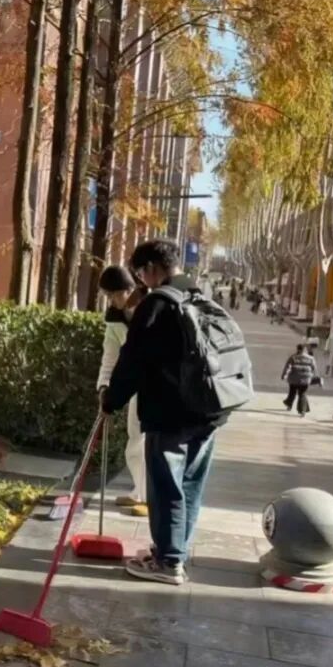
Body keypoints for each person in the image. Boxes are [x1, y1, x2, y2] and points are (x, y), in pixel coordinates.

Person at [102, 239, 232, 586]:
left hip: (170, 412)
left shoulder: (157, 303)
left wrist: (111, 400)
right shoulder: (200, 297)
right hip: (209, 410)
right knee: (189, 486)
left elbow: (133, 361)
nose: (140, 281)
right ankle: (174, 552)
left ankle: (168, 562)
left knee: (165, 488)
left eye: (139, 273)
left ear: (150, 269)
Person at [96, 266, 147, 517]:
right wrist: (104, 386)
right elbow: (110, 355)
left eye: (115, 294)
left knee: (148, 441)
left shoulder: (149, 309)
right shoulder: (115, 319)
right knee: (134, 438)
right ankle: (139, 491)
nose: (113, 300)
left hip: (156, 385)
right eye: (109, 295)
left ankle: (149, 498)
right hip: (134, 385)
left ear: (129, 289)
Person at [281, 344, 317, 417]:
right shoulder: (311, 358)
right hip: (305, 379)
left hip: (294, 379)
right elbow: (314, 369)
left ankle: (289, 404)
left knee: (292, 392)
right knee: (302, 393)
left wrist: (284, 375)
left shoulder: (293, 357)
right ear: (305, 350)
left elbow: (288, 367)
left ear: (298, 349)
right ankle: (302, 410)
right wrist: (312, 376)